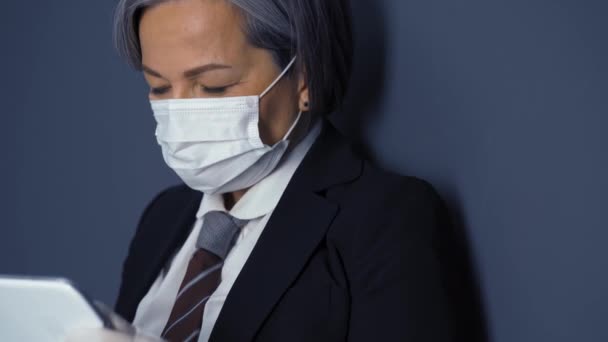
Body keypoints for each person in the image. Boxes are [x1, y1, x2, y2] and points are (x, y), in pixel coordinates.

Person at [68, 0, 455, 341]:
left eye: (214, 86)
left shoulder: (384, 218)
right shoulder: (163, 217)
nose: (181, 114)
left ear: (304, 75)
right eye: (159, 87)